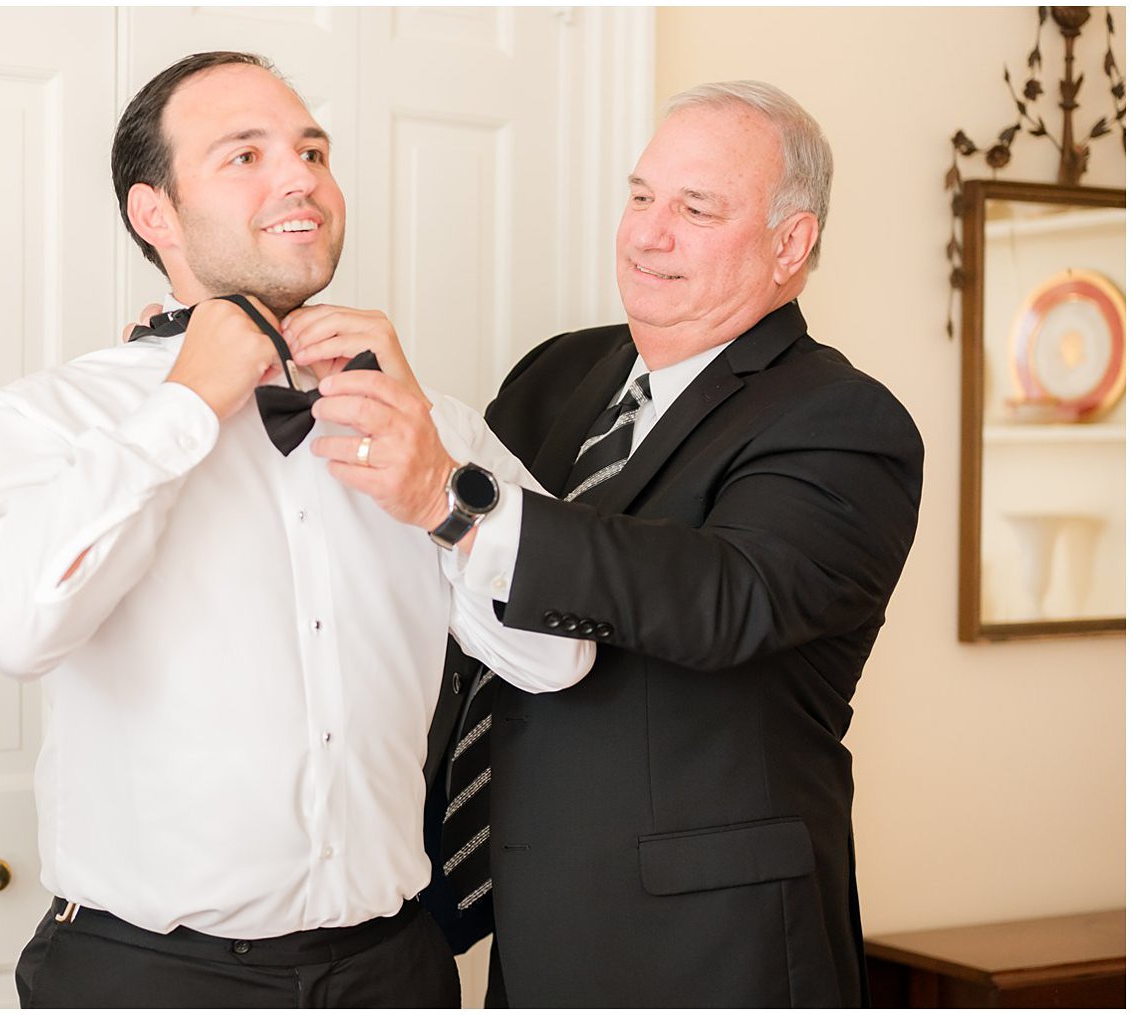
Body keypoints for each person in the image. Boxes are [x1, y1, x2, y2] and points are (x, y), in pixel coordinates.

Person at [0, 51, 591, 1009]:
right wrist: (189, 400)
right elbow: (12, 627)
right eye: (244, 155)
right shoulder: (52, 417)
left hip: (395, 969)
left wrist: (442, 488)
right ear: (152, 213)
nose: (302, 178)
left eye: (313, 151)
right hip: (144, 979)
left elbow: (559, 658)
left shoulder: (429, 420)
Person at [305, 81, 924, 1006]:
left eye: (695, 208)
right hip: (526, 922)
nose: (647, 233)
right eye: (641, 196)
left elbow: (725, 596)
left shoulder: (847, 422)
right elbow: (467, 587)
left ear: (790, 245)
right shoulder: (558, 373)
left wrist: (451, 492)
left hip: (716, 949)